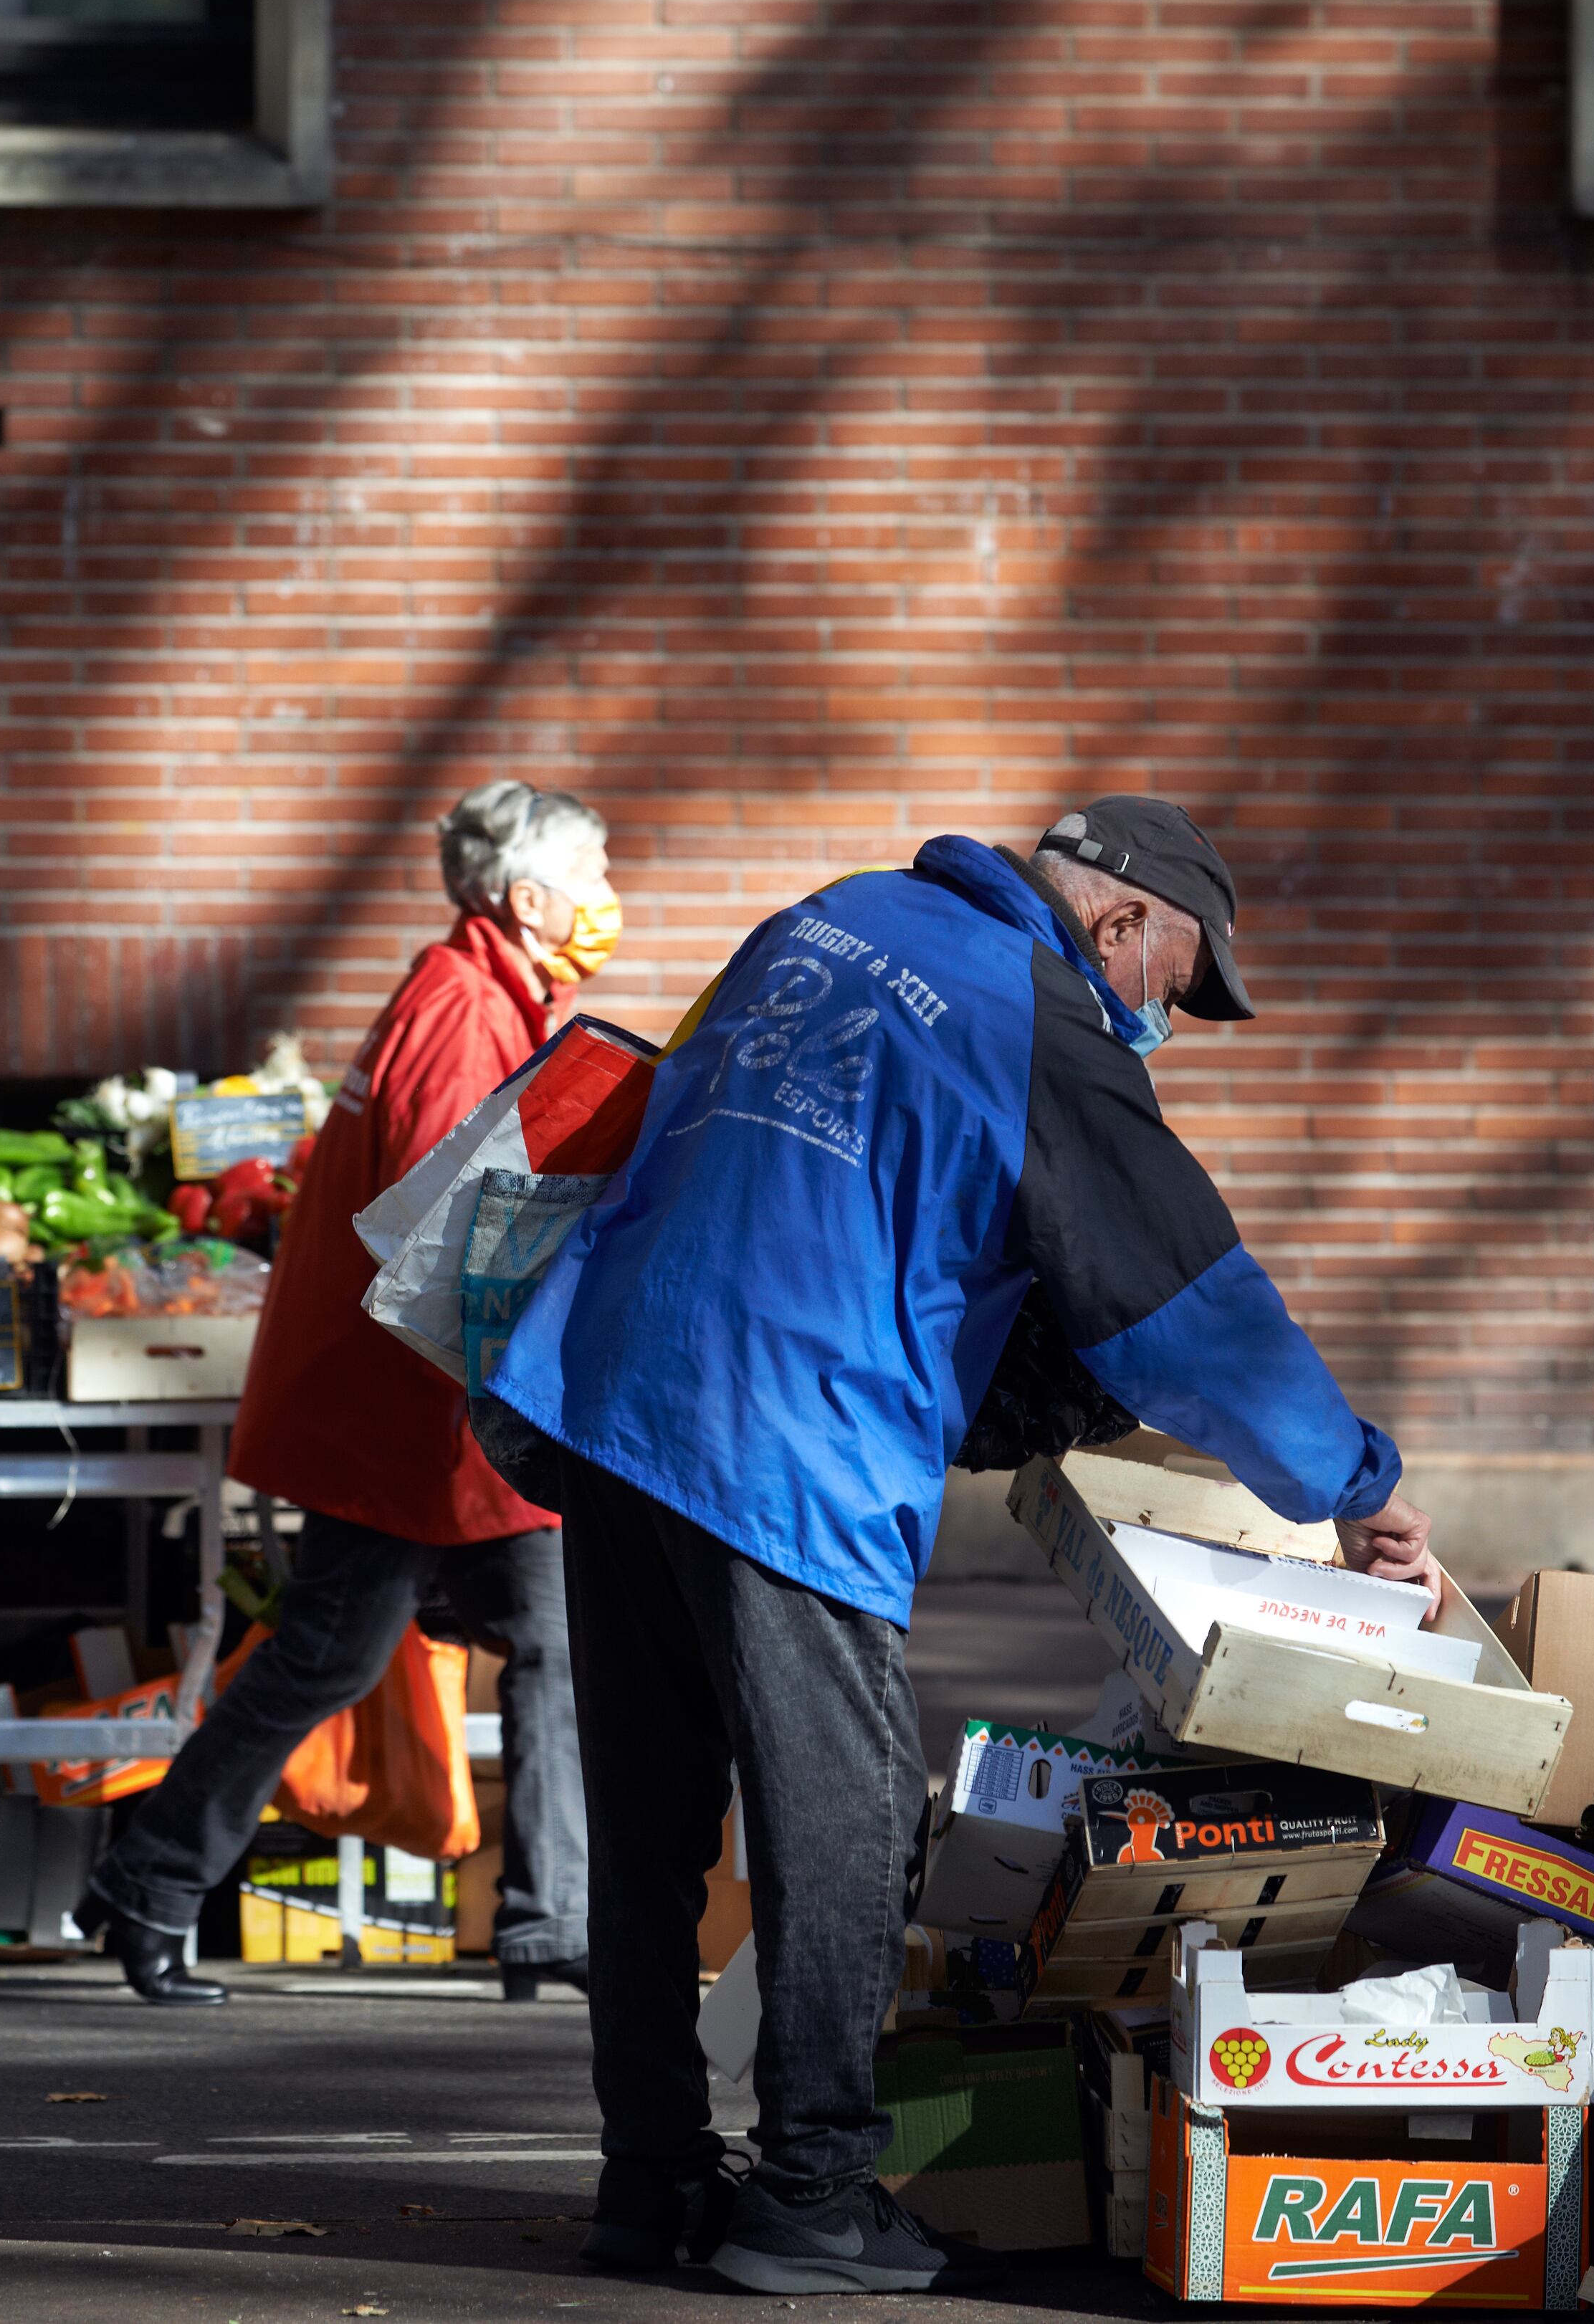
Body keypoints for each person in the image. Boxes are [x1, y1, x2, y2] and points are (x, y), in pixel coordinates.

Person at [477, 797, 1437, 2296]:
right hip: (777, 1429)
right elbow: (1188, 1313)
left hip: (611, 1387)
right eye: (1168, 989)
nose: (1156, 1024)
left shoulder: (831, 914)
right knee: (846, 1819)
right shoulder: (1038, 1009)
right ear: (1113, 924)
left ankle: (650, 2178)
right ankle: (809, 2195)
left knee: (652, 1820)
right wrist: (1351, 1481)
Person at [74, 780, 623, 2006]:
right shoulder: (468, 1011)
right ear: (529, 902)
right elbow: (461, 1211)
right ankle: (542, 1921)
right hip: (423, 1417)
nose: (607, 902)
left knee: (432, 1648)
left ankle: (156, 1879)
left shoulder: (465, 992)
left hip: (402, 1408)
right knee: (471, 1647)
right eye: (593, 879)